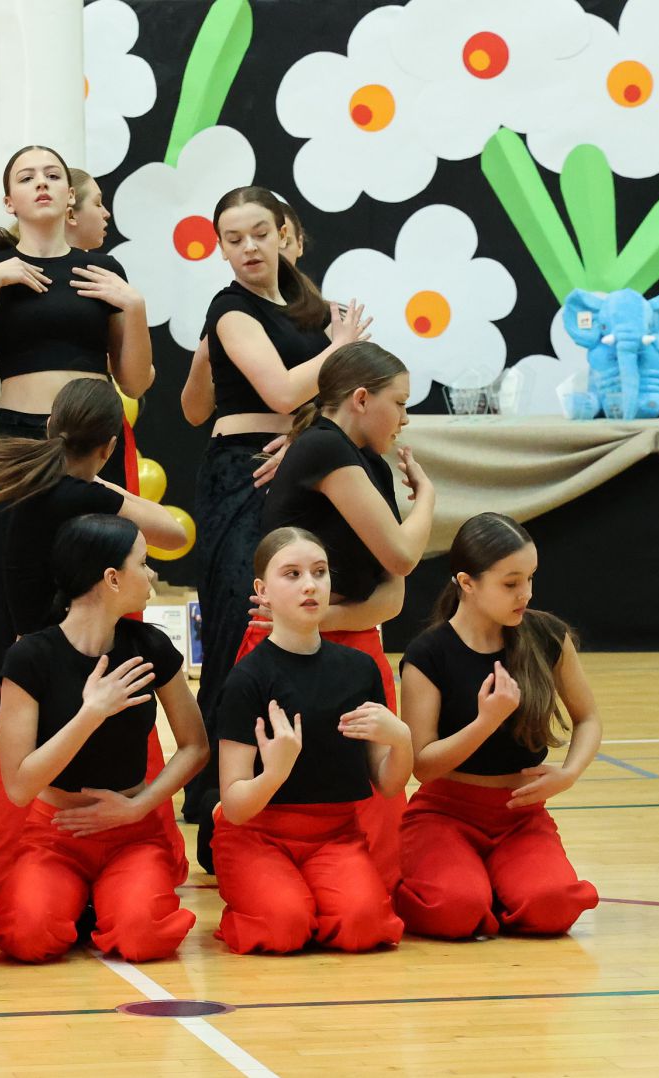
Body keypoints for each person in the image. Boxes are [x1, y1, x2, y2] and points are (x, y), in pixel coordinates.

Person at [0, 145, 153, 815]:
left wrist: (134, 308)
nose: (41, 183)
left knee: (103, 602)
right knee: (12, 615)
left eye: (53, 175)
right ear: (8, 200)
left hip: (94, 444)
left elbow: (136, 381)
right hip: (18, 444)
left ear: (71, 195)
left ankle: (110, 775)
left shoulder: (105, 270)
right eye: (25, 176)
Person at [0, 379, 187, 904]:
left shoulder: (33, 481)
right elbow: (174, 533)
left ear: (51, 428)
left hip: (53, 662)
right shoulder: (82, 492)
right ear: (108, 447)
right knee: (8, 871)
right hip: (50, 672)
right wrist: (106, 485)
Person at [175, 186, 371, 827]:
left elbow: (333, 402)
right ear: (221, 249)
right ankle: (213, 791)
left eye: (260, 233)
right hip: (242, 471)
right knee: (240, 619)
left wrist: (305, 435)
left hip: (305, 468)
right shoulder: (229, 308)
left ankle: (299, 773)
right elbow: (275, 392)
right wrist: (340, 349)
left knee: (301, 616)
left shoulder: (317, 312)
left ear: (285, 234)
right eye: (233, 239)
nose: (249, 248)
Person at [217, 342, 435, 883]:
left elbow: (393, 597)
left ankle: (354, 886)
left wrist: (326, 619)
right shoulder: (322, 447)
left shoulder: (369, 464)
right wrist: (428, 497)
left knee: (372, 806)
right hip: (287, 647)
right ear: (361, 399)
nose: (405, 418)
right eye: (399, 403)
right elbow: (402, 555)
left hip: (349, 644)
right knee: (284, 782)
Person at [0, 514, 207, 962]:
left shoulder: (150, 646)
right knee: (28, 935)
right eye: (144, 562)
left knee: (142, 937)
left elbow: (195, 746)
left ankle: (99, 903)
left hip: (133, 832)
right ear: (112, 578)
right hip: (56, 833)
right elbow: (19, 786)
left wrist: (139, 806)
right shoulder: (30, 657)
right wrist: (91, 713)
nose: (152, 574)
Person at [395, 513, 602, 939]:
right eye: (511, 583)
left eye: (530, 578)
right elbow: (423, 766)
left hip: (520, 815)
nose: (526, 593)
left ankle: (494, 887)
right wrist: (486, 721)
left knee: (552, 907)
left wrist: (569, 773)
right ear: (467, 583)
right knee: (453, 911)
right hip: (445, 813)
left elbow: (588, 718)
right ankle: (472, 888)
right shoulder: (427, 653)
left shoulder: (547, 636)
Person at [212, 527, 410, 955]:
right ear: (262, 591)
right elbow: (235, 805)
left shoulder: (360, 669)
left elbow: (388, 783)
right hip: (256, 835)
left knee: (363, 926)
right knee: (282, 927)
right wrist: (275, 773)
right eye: (293, 574)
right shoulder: (247, 678)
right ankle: (273, 904)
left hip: (336, 836)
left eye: (319, 572)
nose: (310, 585)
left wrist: (403, 740)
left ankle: (313, 900)